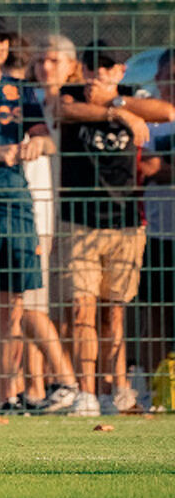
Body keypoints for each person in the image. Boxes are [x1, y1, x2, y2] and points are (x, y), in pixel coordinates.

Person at [55, 43, 175, 415]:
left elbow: (166, 111)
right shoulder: (71, 92)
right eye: (93, 67)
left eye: (107, 68)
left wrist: (116, 102)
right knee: (81, 309)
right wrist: (119, 113)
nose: (99, 74)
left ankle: (114, 390)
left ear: (120, 72)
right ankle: (87, 392)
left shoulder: (132, 95)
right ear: (83, 69)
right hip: (79, 221)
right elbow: (64, 111)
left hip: (126, 223)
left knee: (114, 312)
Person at [0, 15, 66, 414]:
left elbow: (46, 140)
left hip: (17, 205)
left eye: (3, 41)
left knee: (12, 307)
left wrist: (36, 145)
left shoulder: (20, 91)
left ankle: (8, 396)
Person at [139, 50, 174, 392]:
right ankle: (153, 392)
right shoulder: (147, 118)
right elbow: (141, 165)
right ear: (159, 77)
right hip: (155, 233)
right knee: (154, 315)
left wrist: (163, 169)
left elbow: (155, 167)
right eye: (170, 75)